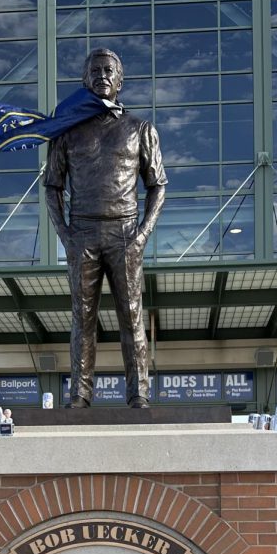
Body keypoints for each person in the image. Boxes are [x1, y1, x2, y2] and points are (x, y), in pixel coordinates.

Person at [45, 49, 167, 408]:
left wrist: (143, 234)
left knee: (131, 316)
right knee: (82, 318)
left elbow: (157, 184)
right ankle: (80, 395)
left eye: (109, 70)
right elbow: (52, 186)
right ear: (85, 80)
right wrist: (65, 234)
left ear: (120, 80)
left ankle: (139, 394)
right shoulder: (66, 131)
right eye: (95, 70)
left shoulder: (140, 129)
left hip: (125, 232)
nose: (102, 75)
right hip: (82, 233)